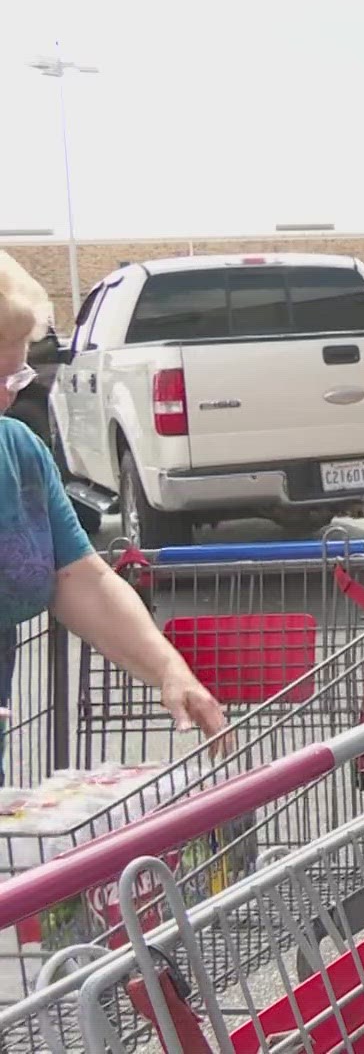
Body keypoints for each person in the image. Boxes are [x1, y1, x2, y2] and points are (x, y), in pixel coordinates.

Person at [0, 254, 228, 748]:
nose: (6, 399)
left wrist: (169, 668)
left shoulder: (18, 454)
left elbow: (81, 578)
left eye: (15, 378)